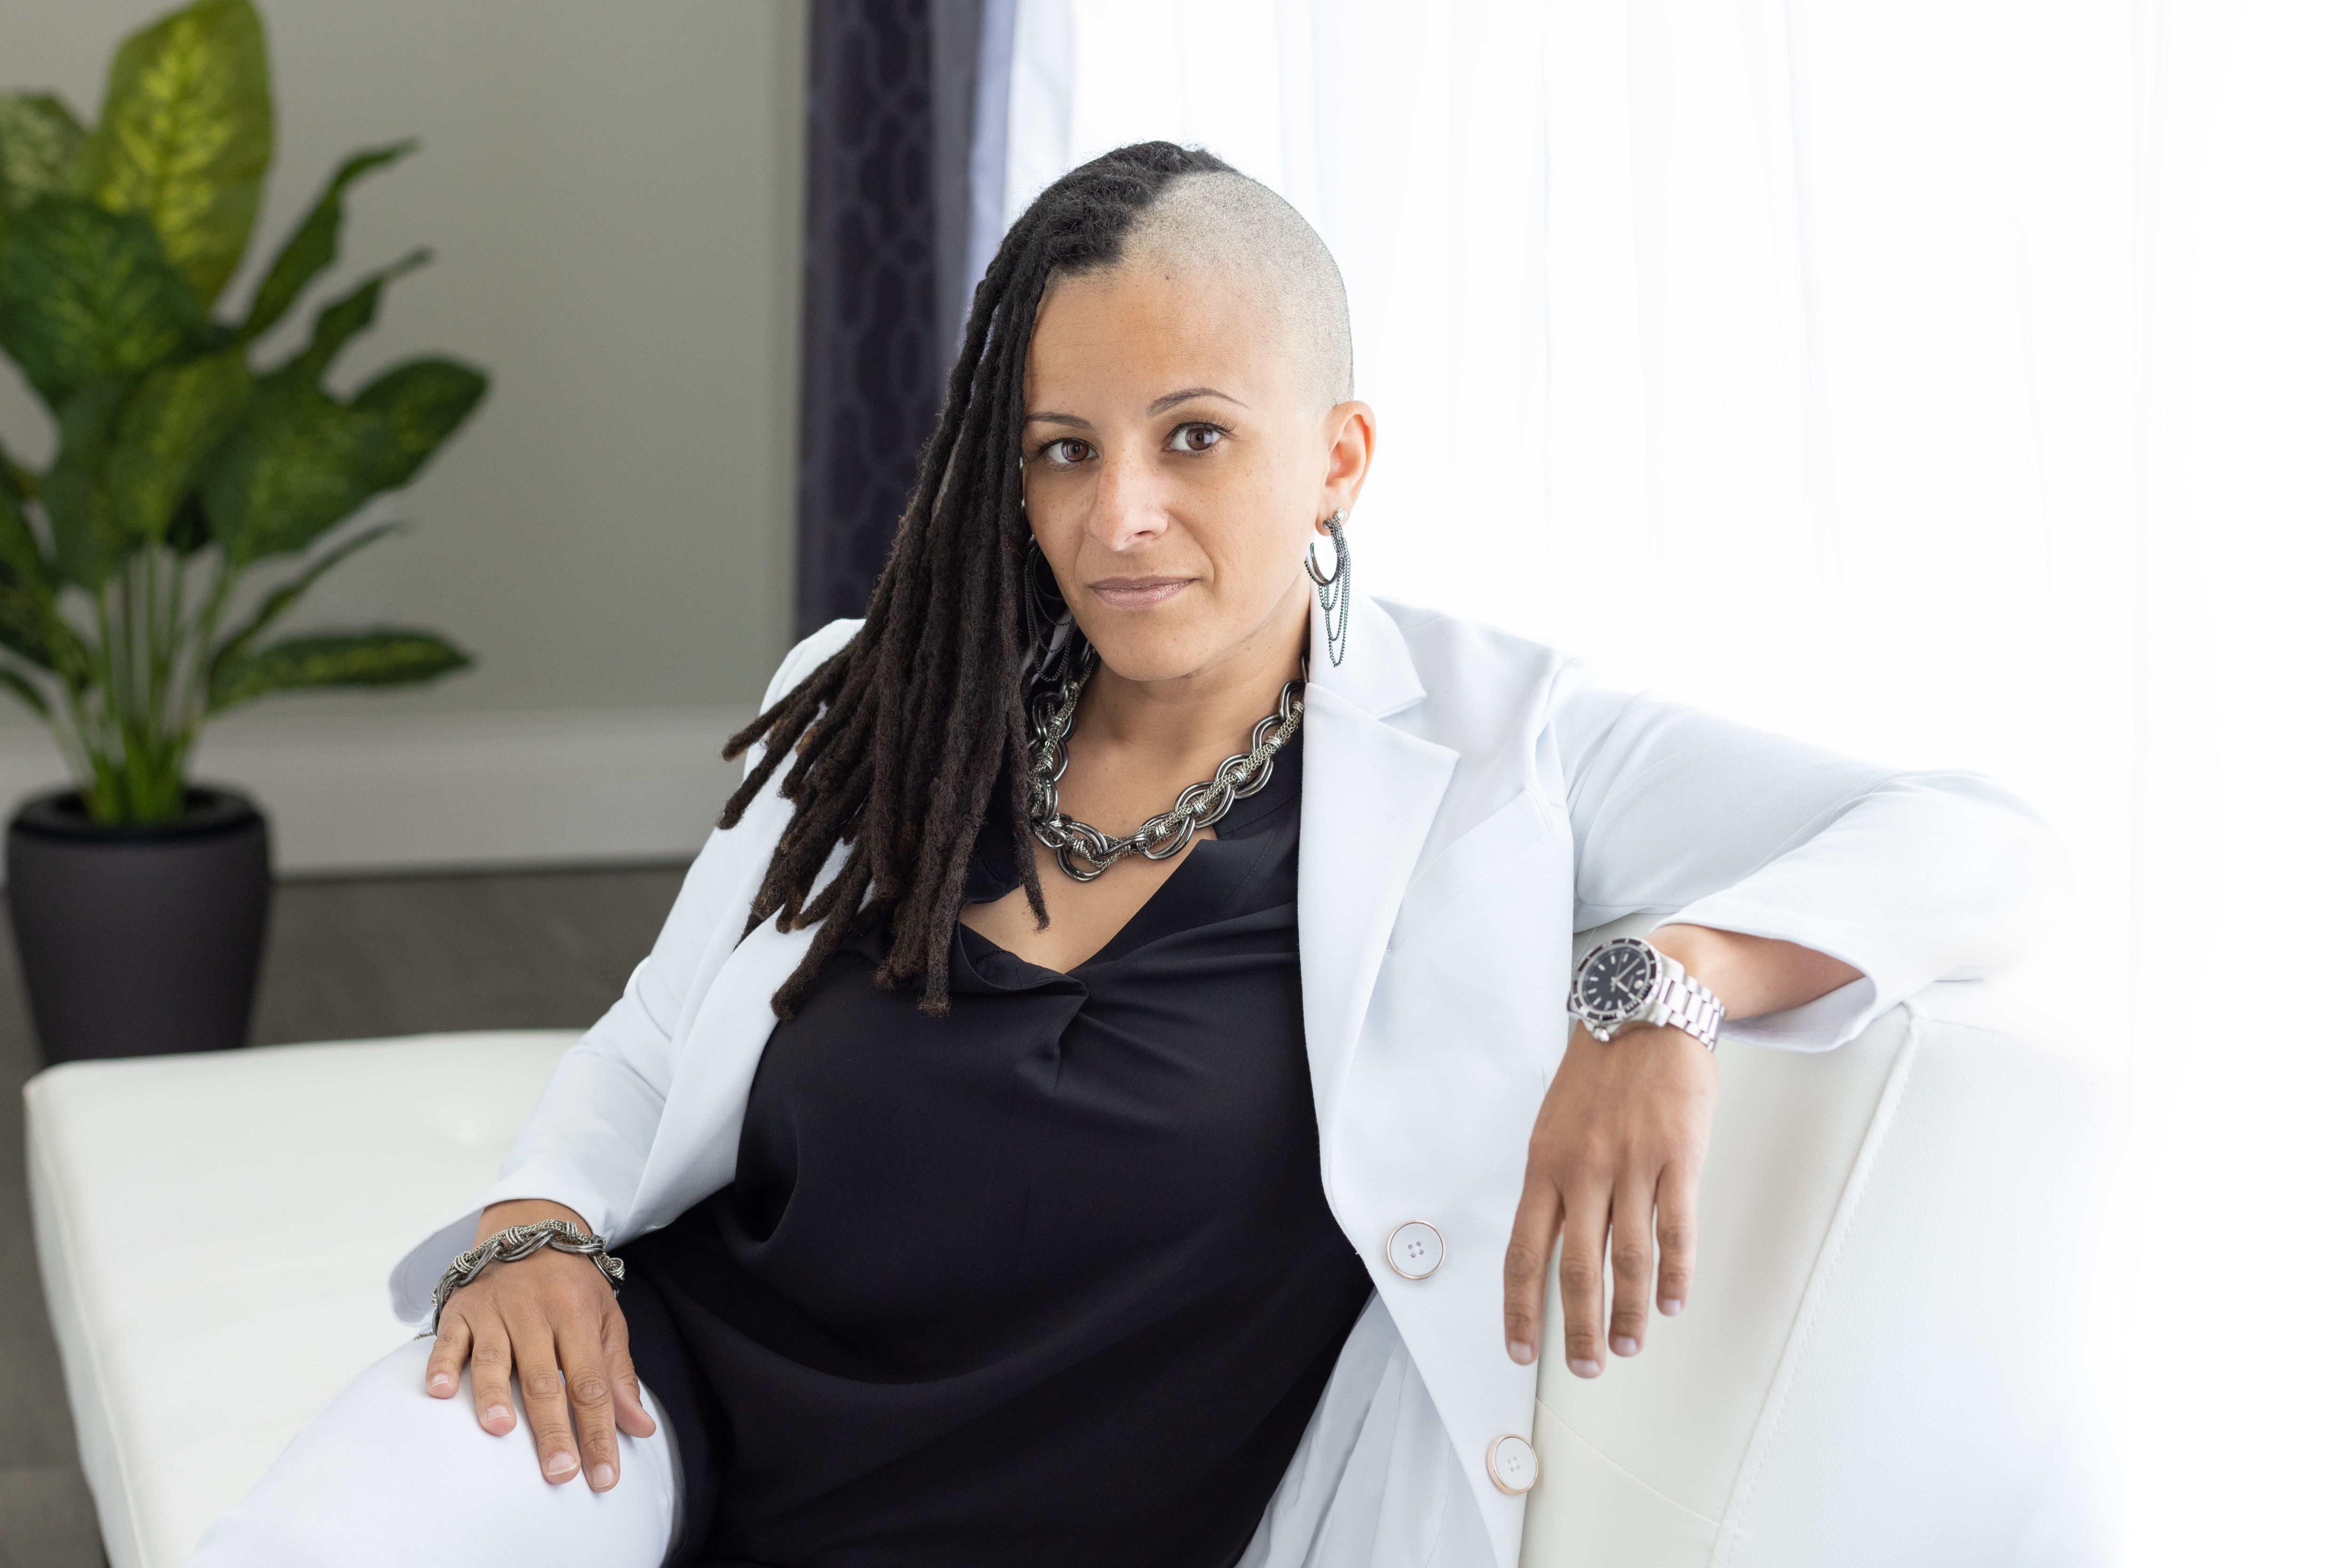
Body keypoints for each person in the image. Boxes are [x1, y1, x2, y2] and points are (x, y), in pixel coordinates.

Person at [191, 142, 2043, 1568]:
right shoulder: (877, 701)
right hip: (660, 1422)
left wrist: (1659, 992)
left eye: (1194, 439)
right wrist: (531, 1228)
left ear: (1336, 456)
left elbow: (1978, 845)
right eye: (1060, 450)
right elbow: (665, 1029)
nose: (1119, 516)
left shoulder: (1501, 751)